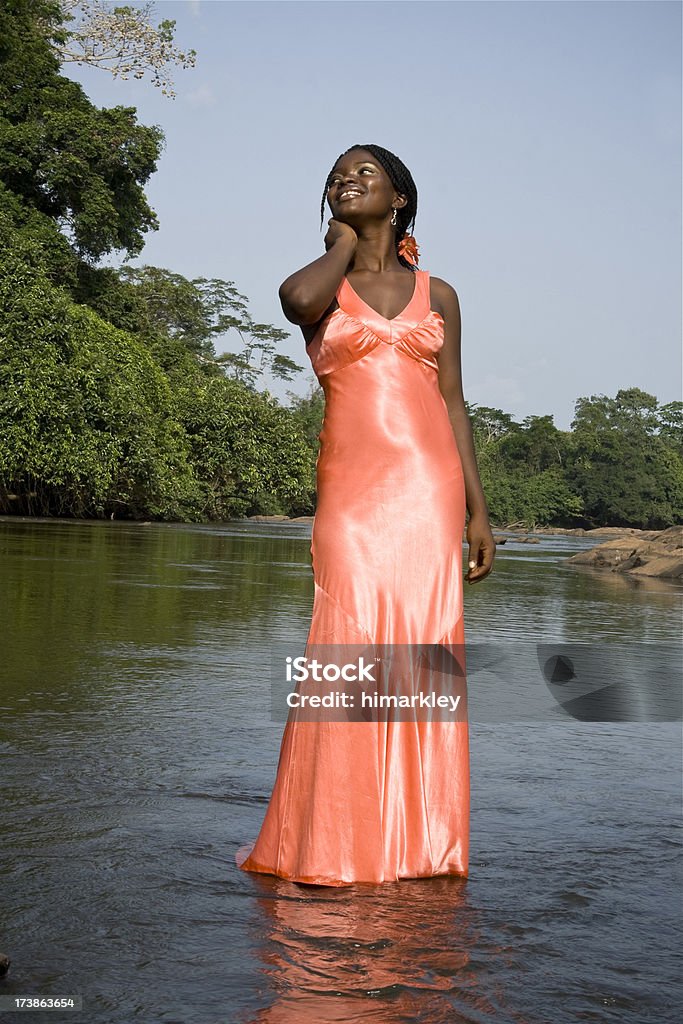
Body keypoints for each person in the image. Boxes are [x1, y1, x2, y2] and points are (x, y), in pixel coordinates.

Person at [236, 143, 495, 886]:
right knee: (345, 649)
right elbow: (292, 303)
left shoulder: (437, 294)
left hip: (429, 490)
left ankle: (415, 846)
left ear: (400, 198)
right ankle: (333, 841)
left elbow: (452, 402)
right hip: (351, 498)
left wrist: (478, 512)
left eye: (363, 174)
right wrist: (344, 241)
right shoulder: (321, 288)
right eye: (335, 179)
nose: (344, 181)